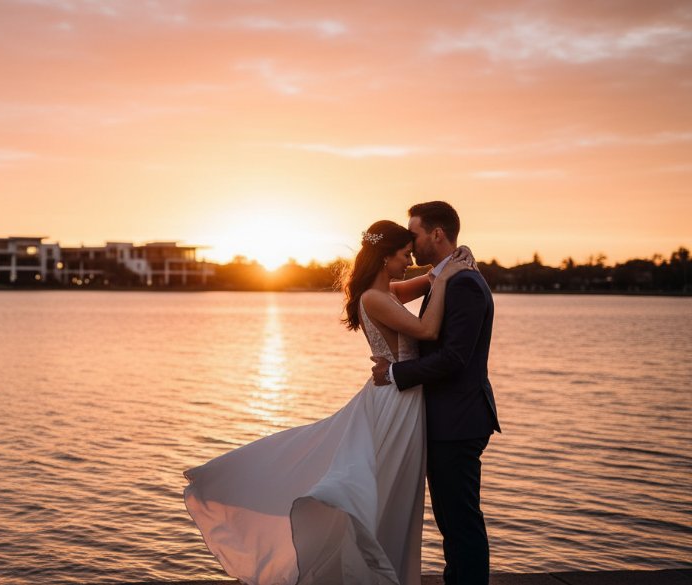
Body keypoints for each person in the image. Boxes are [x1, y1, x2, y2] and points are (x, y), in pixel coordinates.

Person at [184, 219, 475, 585]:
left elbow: (429, 280)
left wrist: (449, 265)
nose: (409, 262)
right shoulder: (375, 298)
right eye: (403, 256)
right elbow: (429, 330)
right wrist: (447, 279)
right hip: (397, 403)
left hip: (401, 397)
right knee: (387, 489)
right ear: (385, 258)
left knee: (396, 491)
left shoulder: (386, 293)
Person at [371, 201, 500, 585]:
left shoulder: (464, 284)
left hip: (458, 420)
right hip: (445, 418)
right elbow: (391, 293)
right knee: (450, 519)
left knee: (460, 520)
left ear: (437, 234)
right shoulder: (447, 278)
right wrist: (437, 276)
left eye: (414, 234)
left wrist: (396, 372)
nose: (410, 242)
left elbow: (455, 358)